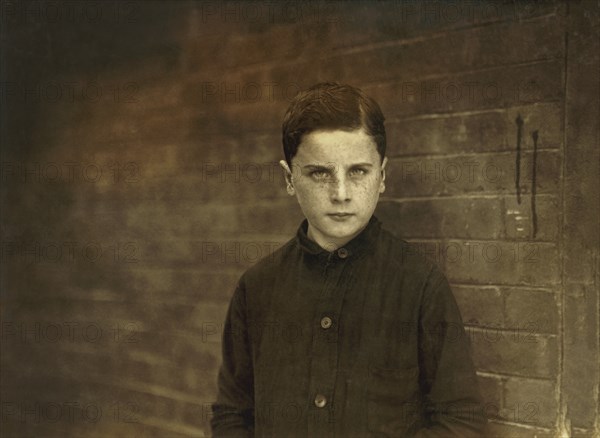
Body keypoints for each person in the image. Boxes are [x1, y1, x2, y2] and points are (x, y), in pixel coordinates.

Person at [211, 82, 486, 437]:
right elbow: (232, 416)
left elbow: (462, 422)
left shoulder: (419, 284)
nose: (340, 193)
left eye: (358, 171)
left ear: (382, 176)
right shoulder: (257, 287)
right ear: (289, 178)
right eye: (319, 173)